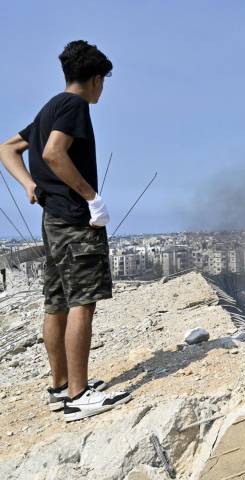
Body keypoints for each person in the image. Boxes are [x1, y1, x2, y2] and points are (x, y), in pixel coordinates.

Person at [0, 40, 130, 422]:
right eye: (102, 81)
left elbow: (8, 148)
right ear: (94, 79)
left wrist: (28, 185)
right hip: (74, 220)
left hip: (52, 220)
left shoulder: (49, 107)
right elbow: (54, 153)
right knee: (81, 303)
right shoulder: (74, 106)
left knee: (56, 302)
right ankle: (78, 395)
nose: (102, 89)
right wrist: (92, 197)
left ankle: (59, 386)